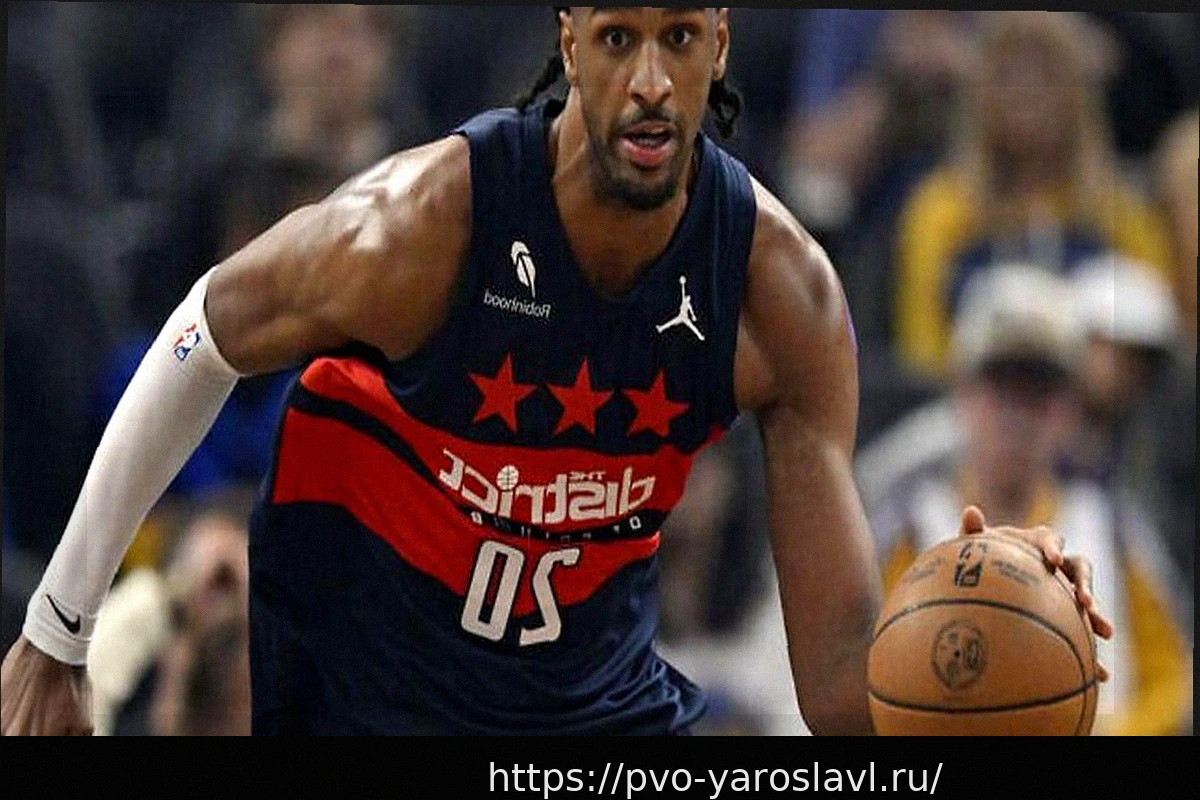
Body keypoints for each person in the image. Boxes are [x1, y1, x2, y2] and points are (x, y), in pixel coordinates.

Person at [1, 8, 1108, 736]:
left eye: (679, 37)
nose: (650, 81)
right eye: (619, 37)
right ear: (570, 45)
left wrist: (985, 629)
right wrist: (59, 627)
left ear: (721, 47)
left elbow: (838, 691)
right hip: (366, 681)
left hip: (589, 708)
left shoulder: (780, 297)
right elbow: (202, 329)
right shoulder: (426, 223)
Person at [868, 265, 1190, 735]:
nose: (1016, 417)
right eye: (1001, 387)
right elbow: (855, 681)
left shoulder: (1114, 529)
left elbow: (1172, 681)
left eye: (1038, 392)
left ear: (1070, 409)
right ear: (962, 393)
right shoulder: (905, 526)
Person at [894, 11, 1174, 380]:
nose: (1027, 89)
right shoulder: (940, 210)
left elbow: (1154, 339)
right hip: (971, 399)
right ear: (979, 93)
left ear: (1079, 94)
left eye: (1046, 74)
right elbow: (922, 356)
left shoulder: (1121, 214)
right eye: (1008, 74)